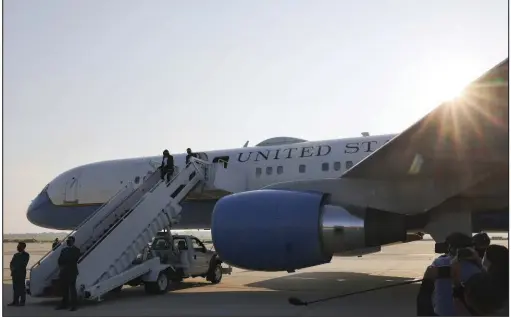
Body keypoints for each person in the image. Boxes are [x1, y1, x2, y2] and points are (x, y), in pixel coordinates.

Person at [420, 232, 482, 316]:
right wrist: (478, 260)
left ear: (450, 248)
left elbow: (430, 274)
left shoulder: (439, 263)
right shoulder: (475, 268)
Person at [56, 236, 81, 311]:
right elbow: (60, 260)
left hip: (72, 271)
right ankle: (64, 304)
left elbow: (74, 259)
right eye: (67, 240)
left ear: (73, 241)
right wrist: (62, 264)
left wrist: (65, 260)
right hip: (64, 271)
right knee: (64, 289)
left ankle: (74, 305)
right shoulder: (64, 250)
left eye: (70, 240)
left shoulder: (76, 250)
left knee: (72, 289)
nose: (68, 242)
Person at [8, 242, 29, 307]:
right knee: (15, 288)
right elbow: (11, 262)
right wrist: (12, 268)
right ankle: (15, 301)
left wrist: (15, 268)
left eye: (19, 246)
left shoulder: (26, 255)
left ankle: (22, 302)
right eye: (18, 246)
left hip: (21, 274)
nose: (18, 247)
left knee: (21, 288)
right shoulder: (16, 255)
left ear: (23, 247)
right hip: (14, 274)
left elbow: (23, 264)